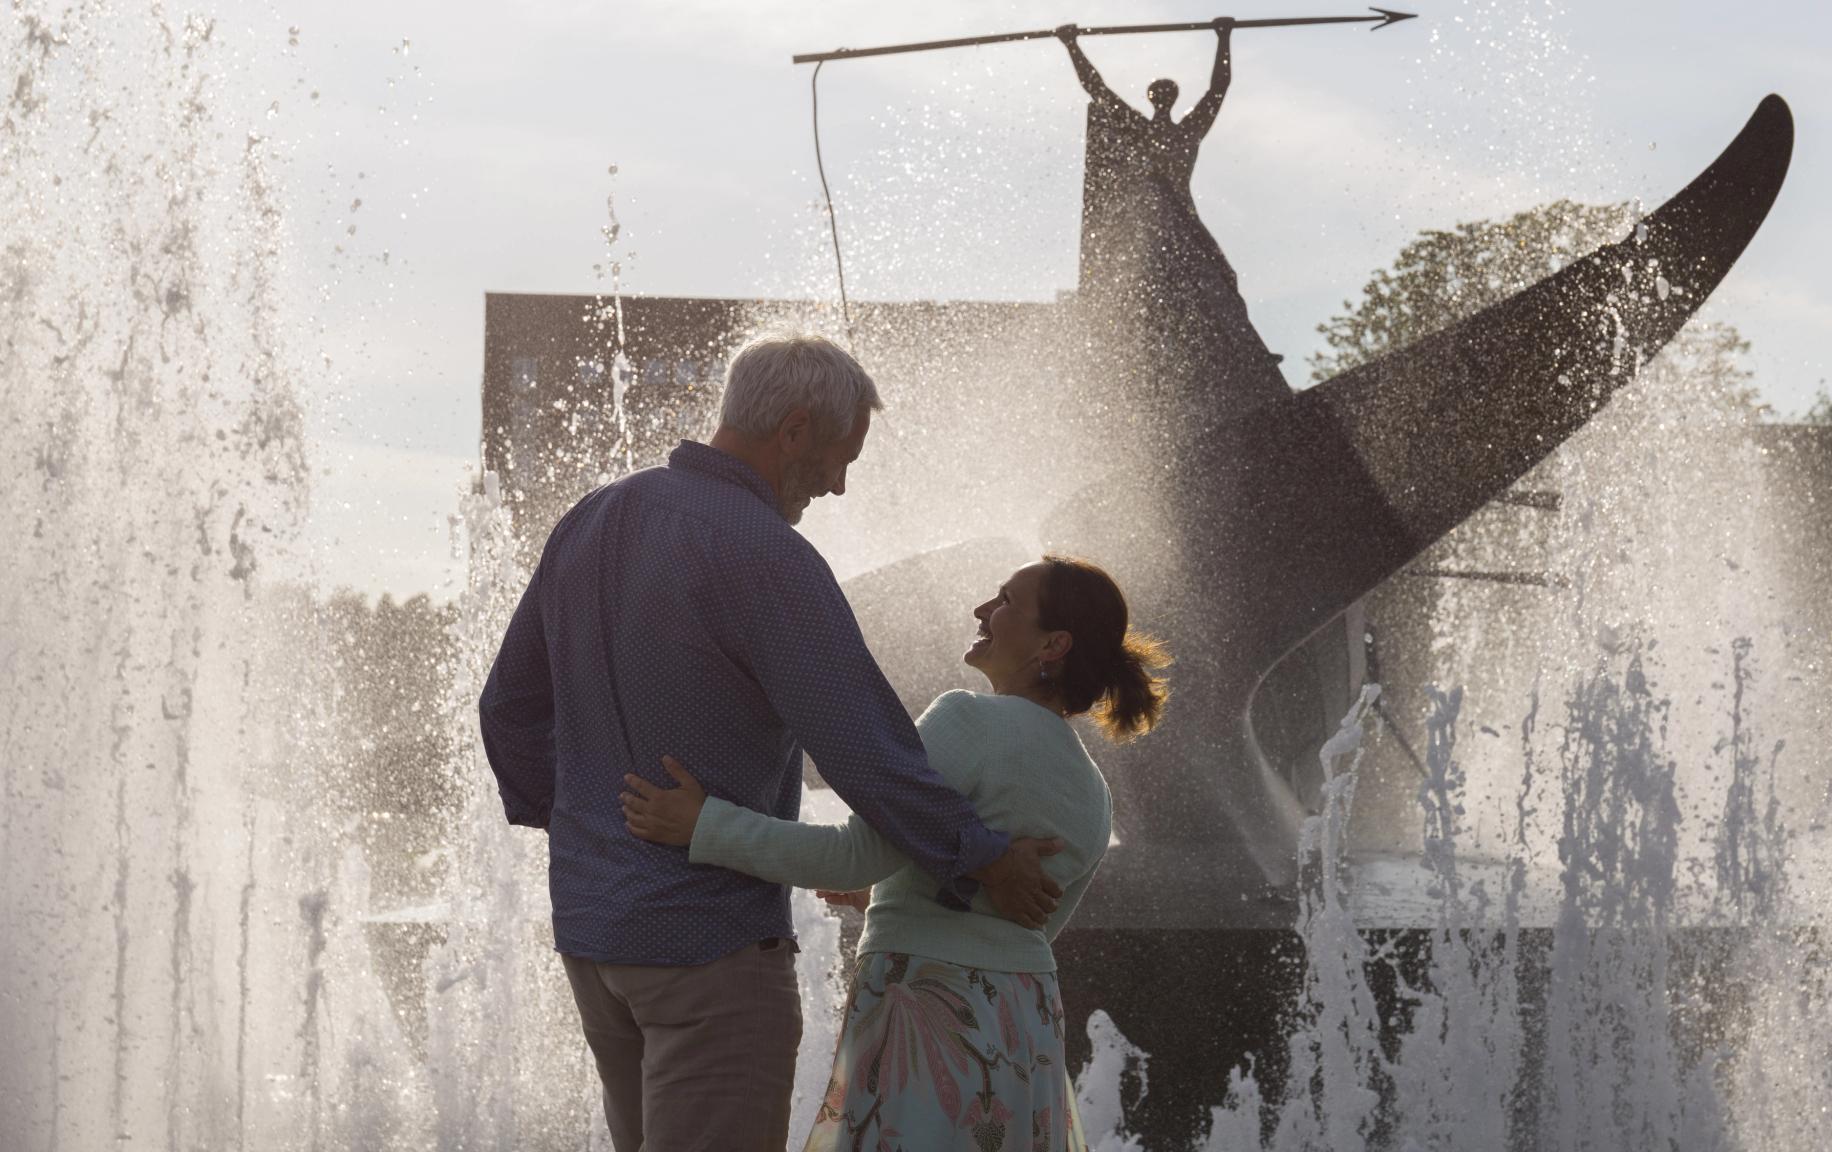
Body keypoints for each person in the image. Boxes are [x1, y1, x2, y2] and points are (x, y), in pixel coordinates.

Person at [478, 332, 1067, 1152]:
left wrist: (589, 829)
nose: (839, 483)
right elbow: (866, 749)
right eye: (837, 457)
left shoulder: (591, 517)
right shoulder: (765, 556)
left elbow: (506, 708)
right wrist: (980, 856)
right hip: (708, 953)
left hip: (596, 943)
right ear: (792, 431)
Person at [622, 556, 1169, 1152]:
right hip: (1027, 1024)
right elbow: (1028, 925)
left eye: (1006, 601)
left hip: (927, 1009)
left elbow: (851, 855)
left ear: (1053, 644)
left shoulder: (968, 718)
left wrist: (705, 825)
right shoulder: (1095, 791)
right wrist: (891, 896)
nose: (983, 611)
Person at [1055, 17, 1289, 437]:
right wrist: (1071, 45)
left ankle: (1247, 351)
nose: (1162, 99)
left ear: (1173, 99)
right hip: (1153, 223)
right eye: (1157, 94)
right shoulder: (1139, 130)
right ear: (1150, 99)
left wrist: (1224, 37)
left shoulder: (1187, 133)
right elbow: (1097, 89)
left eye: (1167, 94)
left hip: (1183, 216)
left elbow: (1219, 89)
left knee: (1226, 278)